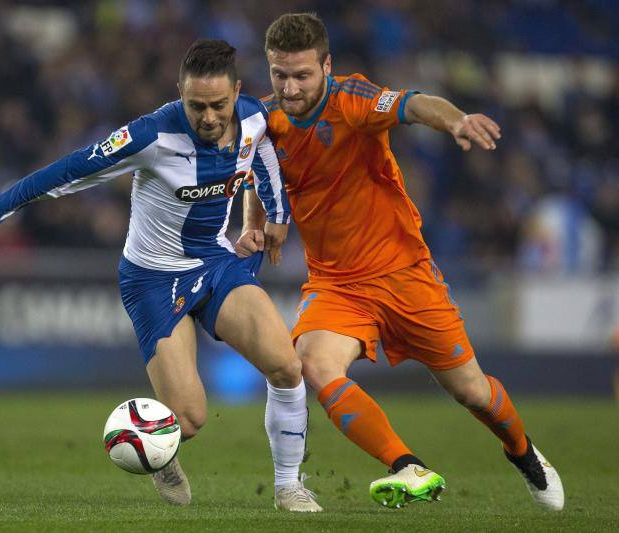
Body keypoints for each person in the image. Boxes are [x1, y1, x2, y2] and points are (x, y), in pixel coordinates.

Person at [0, 40, 321, 513]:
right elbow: (65, 171)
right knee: (188, 419)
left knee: (286, 366)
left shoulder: (252, 117)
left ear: (237, 92)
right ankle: (158, 453)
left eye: (218, 105)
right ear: (179, 93)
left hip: (214, 262)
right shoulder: (150, 135)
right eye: (196, 105)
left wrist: (269, 218)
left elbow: (262, 152)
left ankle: (289, 486)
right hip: (153, 281)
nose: (207, 117)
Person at [236, 13, 564, 511]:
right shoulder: (266, 123)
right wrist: (254, 223)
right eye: (280, 74)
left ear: (327, 65)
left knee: (473, 392)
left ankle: (522, 452)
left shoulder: (354, 99)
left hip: (405, 273)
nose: (290, 86)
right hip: (337, 284)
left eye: (302, 74)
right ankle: (406, 465)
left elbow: (415, 103)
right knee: (314, 367)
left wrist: (454, 119)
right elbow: (256, 173)